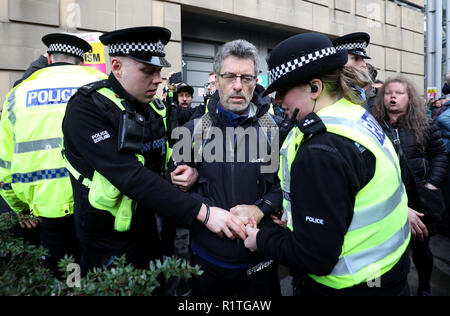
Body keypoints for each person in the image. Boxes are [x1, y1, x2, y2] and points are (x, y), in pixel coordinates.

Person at [61, 26, 246, 276]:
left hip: (150, 227)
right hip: (107, 239)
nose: (158, 79)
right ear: (116, 67)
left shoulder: (154, 108)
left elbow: (168, 152)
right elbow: (131, 176)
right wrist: (204, 213)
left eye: (158, 71)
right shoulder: (86, 109)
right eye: (148, 71)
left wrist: (186, 170)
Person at [244, 32, 411, 296]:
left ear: (315, 88)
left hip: (348, 285)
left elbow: (315, 257)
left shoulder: (322, 150)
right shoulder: (354, 115)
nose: (277, 100)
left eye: (284, 90)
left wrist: (261, 239)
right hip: (388, 274)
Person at [170, 39, 283, 296]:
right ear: (217, 79)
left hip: (260, 261)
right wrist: (207, 211)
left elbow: (287, 185)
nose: (238, 86)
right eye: (230, 76)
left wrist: (262, 208)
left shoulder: (276, 129)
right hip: (207, 262)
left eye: (246, 78)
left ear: (256, 82)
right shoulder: (192, 130)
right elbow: (173, 191)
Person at [0, 33, 106, 276]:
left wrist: (19, 207)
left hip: (45, 209)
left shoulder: (17, 94)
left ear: (48, 58)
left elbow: (4, 164)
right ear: (81, 60)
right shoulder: (99, 84)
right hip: (96, 203)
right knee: (99, 274)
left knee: (65, 273)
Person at [372, 76, 448, 296]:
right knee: (384, 252)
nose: (393, 96)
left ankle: (424, 287)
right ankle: (384, 289)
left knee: (422, 250)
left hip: (419, 198)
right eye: (388, 93)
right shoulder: (373, 126)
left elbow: (439, 155)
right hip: (386, 201)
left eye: (399, 93)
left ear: (410, 97)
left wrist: (433, 183)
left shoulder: (425, 123)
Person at [332, 32, 376, 112]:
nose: (363, 64)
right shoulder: (330, 92)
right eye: (355, 58)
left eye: (362, 59)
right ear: (339, 60)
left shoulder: (358, 90)